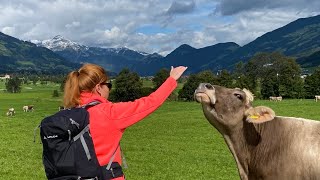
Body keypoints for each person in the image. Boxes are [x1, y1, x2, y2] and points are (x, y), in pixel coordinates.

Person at [63, 63, 187, 179]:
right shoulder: (109, 112)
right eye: (109, 85)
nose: (109, 89)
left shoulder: (65, 114)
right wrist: (171, 79)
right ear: (98, 88)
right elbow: (149, 102)